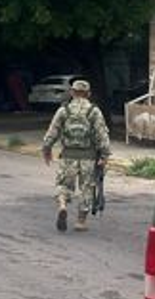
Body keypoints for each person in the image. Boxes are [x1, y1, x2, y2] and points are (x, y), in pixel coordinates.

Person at [41, 79, 111, 232]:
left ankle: (62, 205)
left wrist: (46, 149)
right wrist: (105, 155)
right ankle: (81, 221)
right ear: (88, 94)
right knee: (87, 188)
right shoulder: (94, 111)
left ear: (72, 92)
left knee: (63, 184)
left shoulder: (63, 110)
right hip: (89, 157)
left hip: (68, 156)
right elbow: (102, 135)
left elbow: (52, 132)